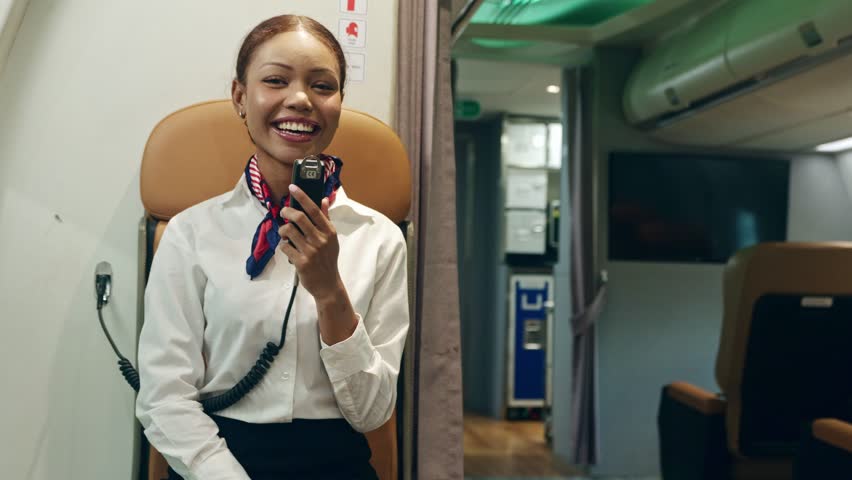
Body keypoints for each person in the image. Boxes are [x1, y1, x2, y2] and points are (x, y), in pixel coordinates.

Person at [135, 14, 409, 480]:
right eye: (276, 80)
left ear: (339, 103)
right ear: (240, 97)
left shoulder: (380, 238)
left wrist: (330, 292)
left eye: (322, 86)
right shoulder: (189, 233)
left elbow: (371, 412)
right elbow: (164, 396)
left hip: (336, 463)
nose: (300, 99)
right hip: (213, 460)